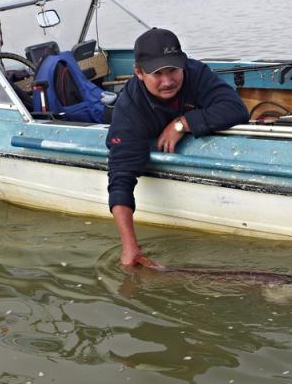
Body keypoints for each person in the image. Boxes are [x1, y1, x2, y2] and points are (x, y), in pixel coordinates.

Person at [106, 28, 249, 268]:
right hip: (126, 126)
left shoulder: (196, 72)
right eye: (157, 74)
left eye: (173, 70)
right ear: (139, 73)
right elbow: (121, 175)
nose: (168, 81)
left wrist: (184, 123)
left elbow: (236, 109)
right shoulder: (129, 107)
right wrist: (129, 246)